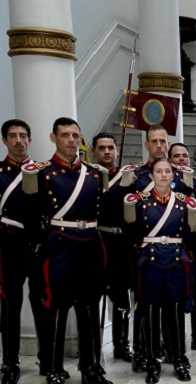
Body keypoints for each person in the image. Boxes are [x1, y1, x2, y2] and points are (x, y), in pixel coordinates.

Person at [23, 117, 115, 384]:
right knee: (54, 307)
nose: (71, 140)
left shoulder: (94, 173)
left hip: (89, 245)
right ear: (53, 138)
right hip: (60, 245)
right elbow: (30, 216)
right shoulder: (41, 173)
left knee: (88, 308)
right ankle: (53, 370)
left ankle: (91, 367)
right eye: (65, 135)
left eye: (75, 135)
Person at [120, 124, 196, 372]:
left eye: (163, 141)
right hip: (149, 258)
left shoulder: (182, 179)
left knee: (174, 310)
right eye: (153, 141)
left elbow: (189, 224)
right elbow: (131, 225)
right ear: (147, 145)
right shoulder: (136, 179)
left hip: (174, 257)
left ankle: (176, 355)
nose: (159, 145)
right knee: (146, 309)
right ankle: (146, 354)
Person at [0, 119, 46, 384]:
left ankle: (46, 358)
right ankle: (10, 363)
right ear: (4, 140)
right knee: (10, 304)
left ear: (30, 139)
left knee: (41, 302)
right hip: (9, 248)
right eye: (13, 136)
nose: (19, 140)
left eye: (23, 135)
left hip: (37, 246)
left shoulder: (42, 173)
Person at [90, 132, 135, 363]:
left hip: (120, 245)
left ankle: (121, 345)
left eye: (110, 147)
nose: (107, 151)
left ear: (116, 150)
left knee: (121, 298)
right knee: (92, 297)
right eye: (102, 148)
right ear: (94, 152)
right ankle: (92, 347)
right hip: (96, 243)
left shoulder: (128, 179)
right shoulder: (88, 177)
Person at [168, 141, 196, 355]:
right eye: (176, 156)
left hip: (194, 244)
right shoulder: (163, 183)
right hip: (171, 245)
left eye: (184, 156)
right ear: (169, 160)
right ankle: (172, 340)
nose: (181, 159)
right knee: (173, 293)